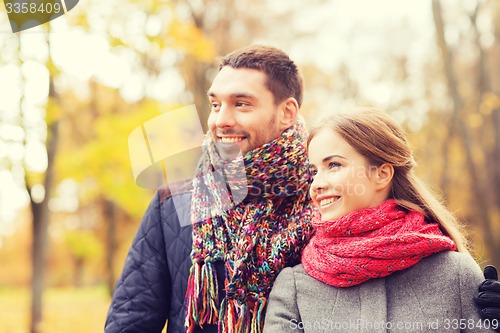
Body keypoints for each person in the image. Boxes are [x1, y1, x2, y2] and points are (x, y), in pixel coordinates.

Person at [104, 46, 500, 333]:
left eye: (241, 104)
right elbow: (130, 321)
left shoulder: (331, 205)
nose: (220, 120)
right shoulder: (175, 203)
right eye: (215, 105)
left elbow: (389, 279)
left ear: (287, 111)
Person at [263, 108, 500, 333]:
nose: (317, 184)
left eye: (333, 165)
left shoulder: (455, 274)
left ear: (382, 174)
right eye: (314, 171)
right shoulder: (294, 288)